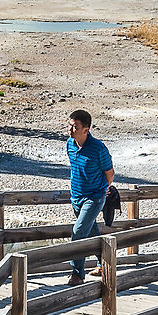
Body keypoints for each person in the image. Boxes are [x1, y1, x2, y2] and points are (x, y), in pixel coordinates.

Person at [63, 108, 114, 285]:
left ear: (86, 129)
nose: (70, 130)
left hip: (94, 197)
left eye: (75, 127)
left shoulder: (98, 148)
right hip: (76, 196)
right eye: (69, 125)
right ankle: (104, 264)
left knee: (78, 232)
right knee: (92, 231)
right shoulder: (70, 144)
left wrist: (105, 188)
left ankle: (77, 274)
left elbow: (110, 172)